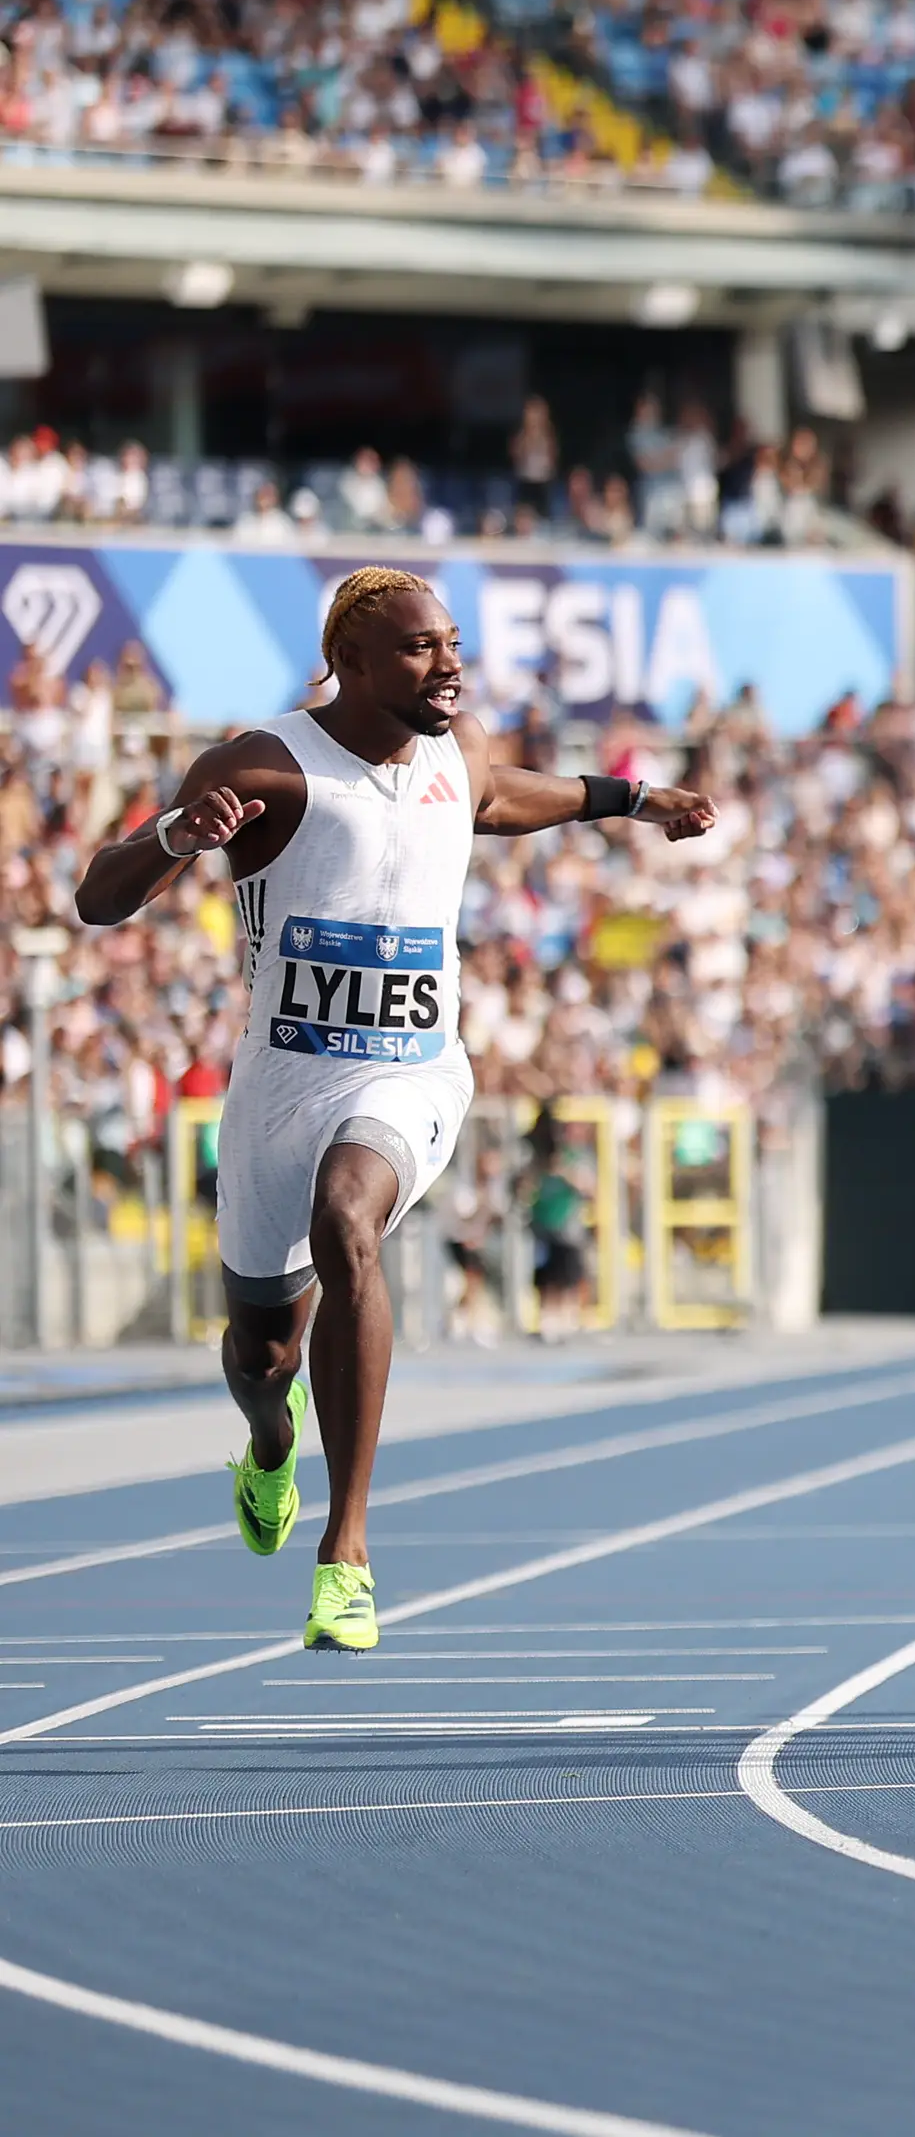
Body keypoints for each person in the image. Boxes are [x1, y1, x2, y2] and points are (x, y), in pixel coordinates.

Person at [70, 568, 716, 1652]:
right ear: (353, 664)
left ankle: (349, 1552)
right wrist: (181, 840)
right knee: (260, 1358)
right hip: (277, 1090)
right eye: (423, 649)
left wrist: (640, 801)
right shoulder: (265, 764)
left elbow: (524, 793)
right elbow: (97, 897)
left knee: (347, 1223)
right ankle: (269, 1448)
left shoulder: (450, 768)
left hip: (410, 1075)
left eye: (455, 643)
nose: (451, 664)